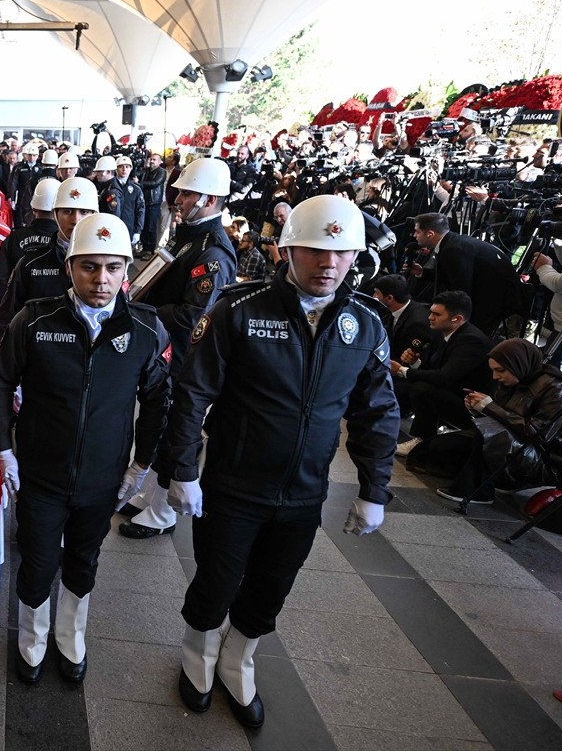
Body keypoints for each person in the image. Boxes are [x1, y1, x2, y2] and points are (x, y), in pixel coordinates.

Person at [157, 194, 398, 728]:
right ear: (288, 250)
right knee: (215, 582)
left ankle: (239, 660)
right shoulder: (238, 310)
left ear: (355, 257)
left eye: (340, 253)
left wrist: (373, 488)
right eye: (314, 250)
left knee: (271, 585)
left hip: (305, 491)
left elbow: (377, 410)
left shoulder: (365, 324)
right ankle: (197, 655)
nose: (327, 264)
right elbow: (192, 393)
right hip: (233, 485)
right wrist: (182, 468)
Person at [0, 212, 170, 685]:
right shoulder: (34, 319)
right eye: (89, 266)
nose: (101, 279)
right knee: (39, 561)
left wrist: (142, 465)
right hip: (40, 474)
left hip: (102, 477)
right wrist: (4, 448)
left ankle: (71, 635)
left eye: (112, 267)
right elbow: (0, 384)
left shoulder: (146, 331)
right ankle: (32, 639)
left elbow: (157, 401)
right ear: (69, 268)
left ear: (127, 270)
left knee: (84, 560)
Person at [120, 158, 237, 540]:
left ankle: (163, 512)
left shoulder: (213, 250)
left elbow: (193, 315)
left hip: (186, 355)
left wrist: (145, 309)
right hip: (166, 348)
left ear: (209, 199)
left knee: (174, 429)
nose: (180, 199)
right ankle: (152, 494)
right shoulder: (190, 235)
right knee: (157, 425)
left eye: (187, 193)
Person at [430, 338, 562, 504]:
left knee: (489, 434)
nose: (495, 376)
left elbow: (540, 434)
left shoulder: (556, 389)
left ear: (519, 364)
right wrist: (478, 410)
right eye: (494, 371)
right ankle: (476, 477)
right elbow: (500, 419)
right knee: (439, 448)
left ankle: (478, 490)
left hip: (547, 460)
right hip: (518, 444)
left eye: (501, 370)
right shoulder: (516, 378)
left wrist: (490, 408)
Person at [0, 177, 99, 346]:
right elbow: (7, 317)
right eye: (68, 211)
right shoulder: (30, 262)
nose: (76, 220)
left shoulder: (109, 265)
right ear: (55, 214)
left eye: (84, 212)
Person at [393, 290, 494, 456]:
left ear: (457, 319)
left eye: (436, 314)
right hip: (449, 391)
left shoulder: (471, 341)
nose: (430, 317)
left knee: (421, 389)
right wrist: (415, 364)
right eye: (431, 312)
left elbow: (445, 377)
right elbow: (435, 369)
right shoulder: (445, 333)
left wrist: (403, 370)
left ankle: (422, 440)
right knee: (399, 387)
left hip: (470, 407)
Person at [408, 212, 521, 335]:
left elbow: (461, 291)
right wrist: (422, 272)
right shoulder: (451, 242)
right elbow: (449, 275)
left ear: (430, 234)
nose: (414, 235)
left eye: (417, 231)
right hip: (489, 294)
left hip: (494, 300)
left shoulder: (453, 249)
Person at [0, 177, 59, 309]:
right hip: (55, 315)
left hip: (18, 314)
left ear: (33, 208)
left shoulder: (14, 238)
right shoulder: (67, 242)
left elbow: (1, 279)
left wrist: (2, 311)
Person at [371, 274, 435, 365]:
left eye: (376, 293)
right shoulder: (392, 311)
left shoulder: (417, 324)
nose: (374, 296)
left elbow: (407, 360)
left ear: (390, 298)